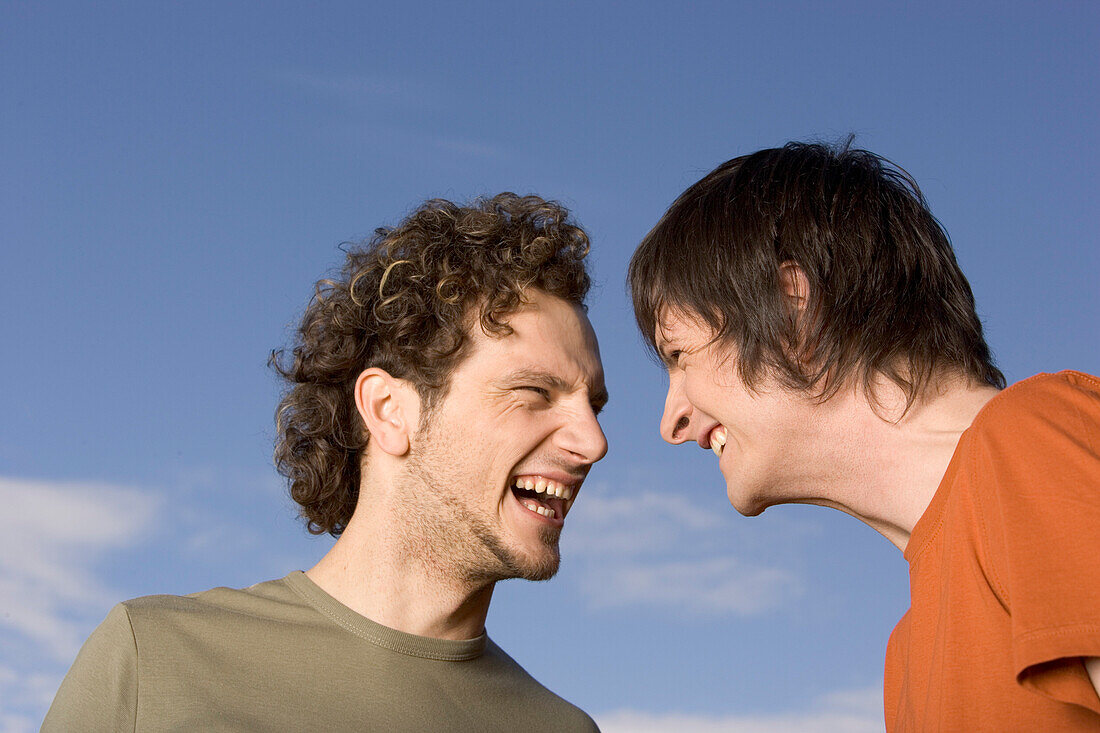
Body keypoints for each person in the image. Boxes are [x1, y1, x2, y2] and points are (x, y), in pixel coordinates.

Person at [44, 194, 608, 732]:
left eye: (594, 406)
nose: (593, 441)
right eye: (535, 391)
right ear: (389, 411)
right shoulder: (154, 660)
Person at [628, 141, 1100, 731]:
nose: (671, 421)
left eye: (679, 355)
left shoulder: (1034, 437)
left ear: (792, 308)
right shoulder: (905, 655)